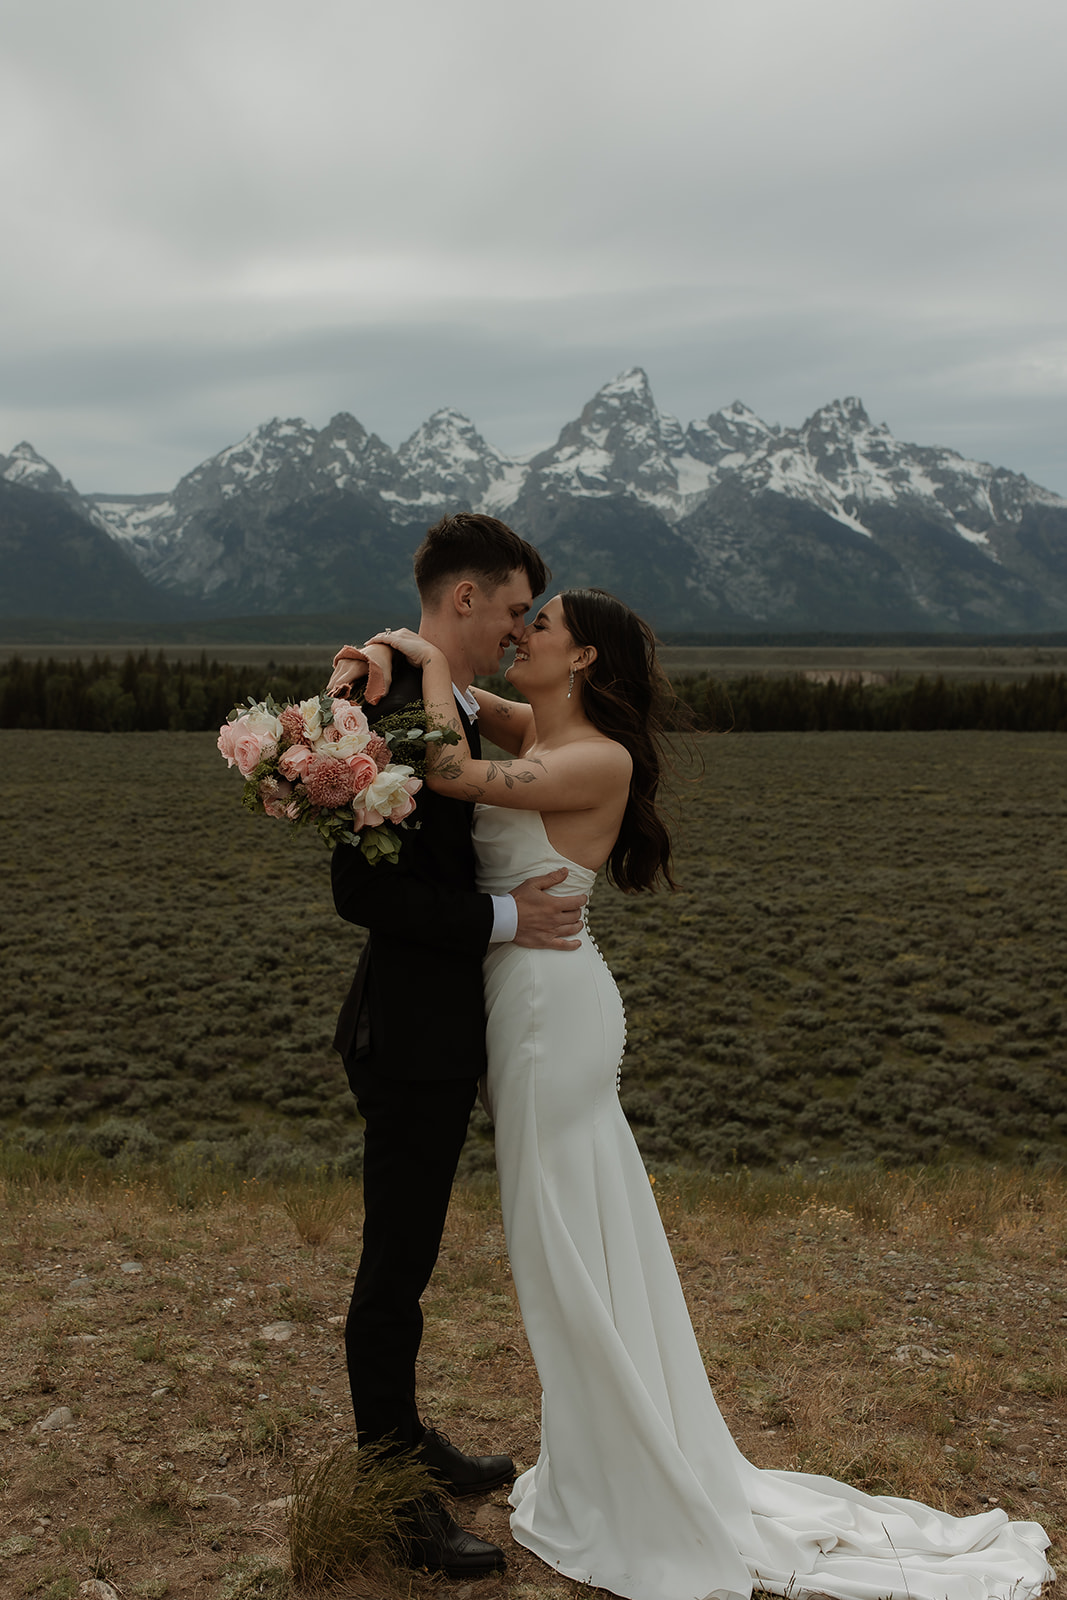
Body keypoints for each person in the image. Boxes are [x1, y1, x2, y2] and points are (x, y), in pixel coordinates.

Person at [361, 588, 1054, 1600]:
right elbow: (470, 707)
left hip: (552, 1016)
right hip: (528, 1007)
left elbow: (453, 763)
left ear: (583, 657)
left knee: (561, 1243)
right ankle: (609, 1452)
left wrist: (420, 657)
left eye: (538, 626)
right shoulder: (547, 724)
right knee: (566, 1241)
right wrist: (397, 657)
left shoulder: (597, 755)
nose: (520, 636)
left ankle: (627, 1473)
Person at [325, 513, 588, 1579]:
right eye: (514, 607)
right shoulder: (382, 704)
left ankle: (409, 1441)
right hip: (406, 1033)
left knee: (415, 1259)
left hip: (448, 1027)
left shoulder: (428, 694)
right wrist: (506, 923)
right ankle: (391, 1494)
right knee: (393, 1268)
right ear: (465, 598)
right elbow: (362, 889)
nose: (518, 624)